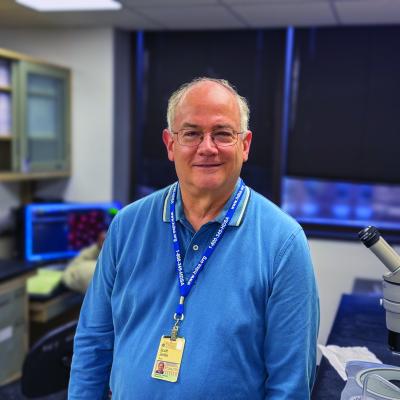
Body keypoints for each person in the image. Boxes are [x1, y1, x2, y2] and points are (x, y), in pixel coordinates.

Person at [68, 77, 319, 399]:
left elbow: (290, 382)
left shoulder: (283, 242)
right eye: (191, 133)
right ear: (171, 144)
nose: (207, 147)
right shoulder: (128, 225)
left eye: (223, 133)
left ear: (245, 144)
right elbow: (94, 339)